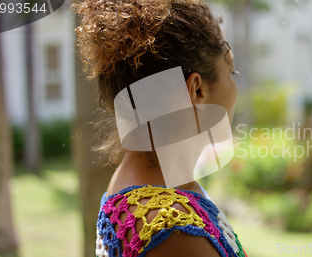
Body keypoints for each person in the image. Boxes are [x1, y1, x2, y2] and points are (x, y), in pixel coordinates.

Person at [72, 0, 246, 256]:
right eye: (232, 73)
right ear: (195, 89)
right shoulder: (173, 231)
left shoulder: (150, 180)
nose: (236, 88)